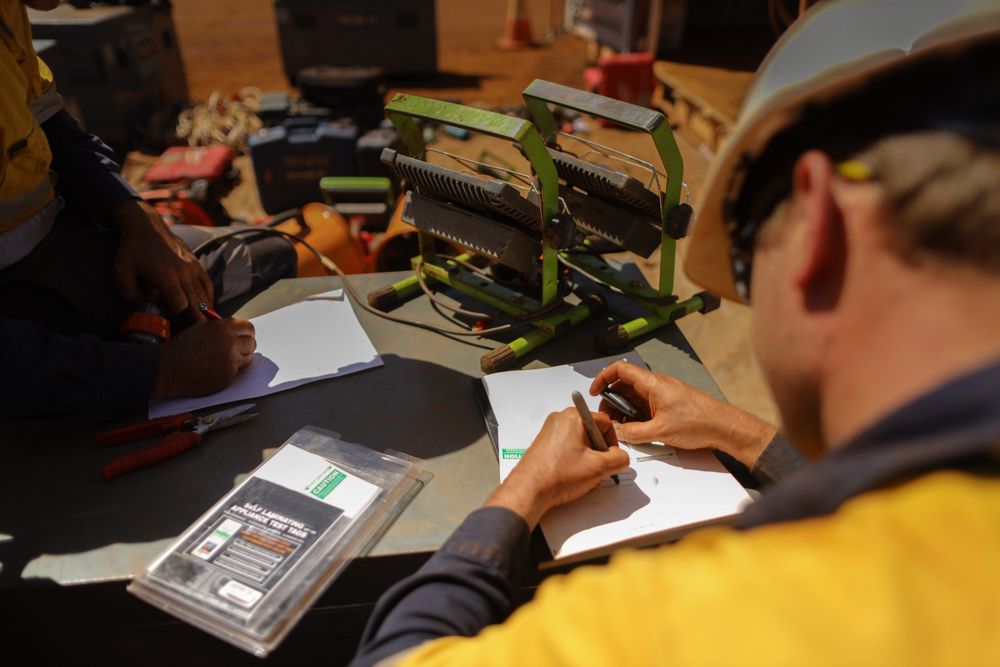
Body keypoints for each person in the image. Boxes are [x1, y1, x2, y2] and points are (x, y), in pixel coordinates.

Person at [352, 1, 1000, 664]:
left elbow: (396, 654)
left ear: (822, 233)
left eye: (744, 257)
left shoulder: (693, 617)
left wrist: (525, 489)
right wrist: (738, 431)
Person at [0, 0, 294, 418]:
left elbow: (49, 124)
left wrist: (136, 217)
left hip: (68, 247)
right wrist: (160, 373)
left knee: (267, 253)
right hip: (29, 321)